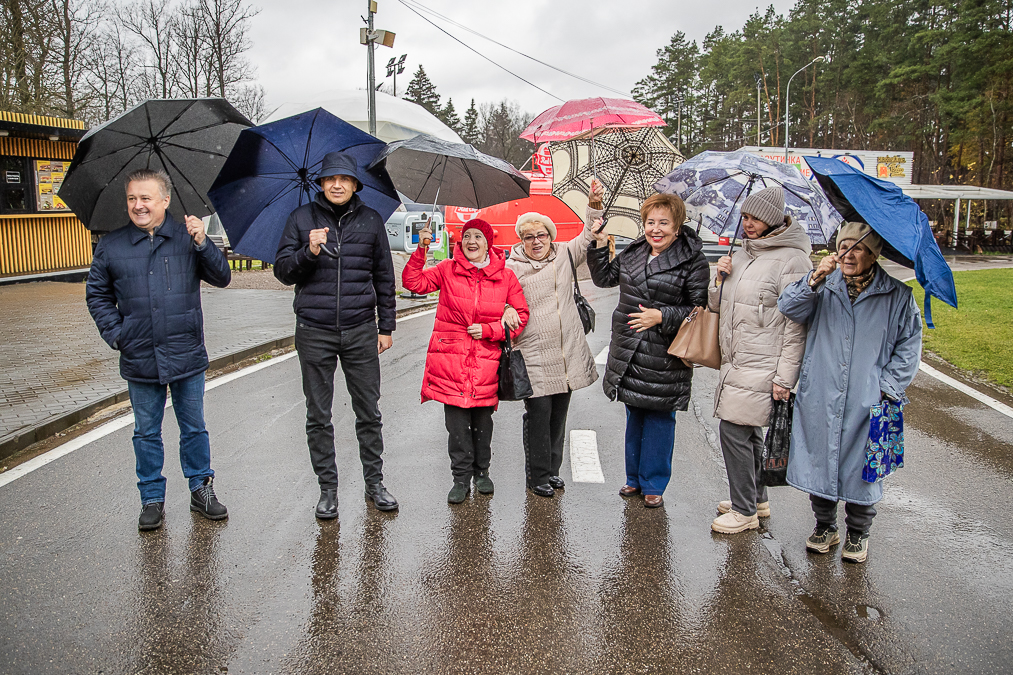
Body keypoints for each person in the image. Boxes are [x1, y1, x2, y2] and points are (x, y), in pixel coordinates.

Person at [86, 168, 231, 531]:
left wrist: (203, 242)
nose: (138, 205)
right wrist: (119, 335)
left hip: (185, 352)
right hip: (139, 355)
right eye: (133, 198)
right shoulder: (111, 245)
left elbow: (222, 277)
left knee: (194, 427)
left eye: (146, 198)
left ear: (165, 200)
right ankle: (151, 498)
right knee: (146, 432)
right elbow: (97, 295)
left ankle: (202, 489)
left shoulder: (187, 236)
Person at [778, 221, 922, 563]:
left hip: (869, 396)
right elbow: (789, 307)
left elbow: (909, 347)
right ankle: (824, 525)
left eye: (858, 247)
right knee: (820, 459)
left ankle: (858, 532)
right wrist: (813, 278)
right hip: (821, 391)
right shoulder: (823, 285)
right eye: (844, 246)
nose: (848, 254)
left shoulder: (898, 297)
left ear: (872, 254)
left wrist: (886, 387)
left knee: (864, 467)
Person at [274, 151, 399, 519]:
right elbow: (283, 271)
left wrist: (386, 326)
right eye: (331, 179)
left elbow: (384, 278)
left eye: (344, 179)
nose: (338, 184)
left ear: (356, 184)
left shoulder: (372, 221)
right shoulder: (300, 219)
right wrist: (308, 251)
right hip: (314, 331)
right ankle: (328, 489)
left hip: (361, 330)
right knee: (318, 414)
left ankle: (374, 483)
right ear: (322, 184)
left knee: (369, 412)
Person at [587, 193, 709, 508]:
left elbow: (699, 308)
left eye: (663, 223)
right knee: (634, 414)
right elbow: (603, 279)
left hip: (664, 352)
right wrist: (599, 244)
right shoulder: (635, 250)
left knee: (659, 418)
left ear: (678, 226)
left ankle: (654, 482)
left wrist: (662, 316)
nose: (656, 229)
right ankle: (633, 479)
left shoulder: (692, 258)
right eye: (650, 222)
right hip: (629, 348)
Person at [402, 218, 529, 504]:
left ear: (488, 243)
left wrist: (490, 330)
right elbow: (413, 282)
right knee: (458, 429)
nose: (472, 242)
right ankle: (460, 479)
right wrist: (421, 250)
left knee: (483, 426)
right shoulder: (448, 270)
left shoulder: (505, 277)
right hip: (451, 363)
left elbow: (520, 316)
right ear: (460, 242)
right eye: (467, 236)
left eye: (478, 237)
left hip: (487, 363)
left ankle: (482, 473)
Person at [708, 186, 813, 534]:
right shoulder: (742, 255)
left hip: (764, 363)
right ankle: (757, 498)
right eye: (745, 217)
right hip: (737, 359)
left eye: (754, 218)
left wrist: (785, 377)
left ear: (771, 220)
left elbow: (797, 324)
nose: (747, 223)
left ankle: (743, 510)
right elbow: (716, 305)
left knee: (733, 429)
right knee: (748, 430)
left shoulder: (793, 261)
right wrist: (719, 277)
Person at [501, 180, 604, 497]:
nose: (536, 241)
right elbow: (498, 297)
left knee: (559, 415)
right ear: (521, 239)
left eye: (541, 235)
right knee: (538, 416)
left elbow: (590, 234)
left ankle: (553, 471)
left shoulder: (564, 255)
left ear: (550, 236)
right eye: (529, 237)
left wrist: (594, 202)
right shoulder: (511, 266)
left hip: (566, 352)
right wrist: (505, 309)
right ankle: (537, 476)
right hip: (533, 354)